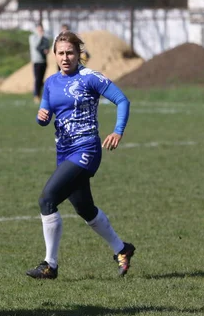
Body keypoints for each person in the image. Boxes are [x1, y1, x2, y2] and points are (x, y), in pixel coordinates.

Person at [26, 31, 136, 280]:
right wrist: (41, 117)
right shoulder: (51, 82)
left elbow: (122, 100)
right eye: (61, 53)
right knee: (85, 208)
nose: (65, 58)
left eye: (70, 53)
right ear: (54, 55)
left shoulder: (90, 78)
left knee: (47, 200)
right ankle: (122, 249)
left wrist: (117, 131)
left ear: (79, 54)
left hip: (86, 148)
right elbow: (44, 113)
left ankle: (50, 265)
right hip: (63, 150)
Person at [29, 22, 50, 104]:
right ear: (36, 29)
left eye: (42, 29)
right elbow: (35, 45)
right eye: (39, 29)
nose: (41, 31)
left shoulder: (45, 39)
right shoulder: (33, 37)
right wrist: (40, 37)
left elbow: (47, 46)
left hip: (44, 61)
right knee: (37, 79)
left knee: (41, 80)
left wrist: (46, 50)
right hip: (36, 61)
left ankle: (40, 94)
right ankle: (36, 95)